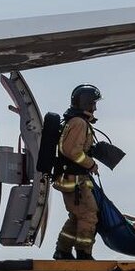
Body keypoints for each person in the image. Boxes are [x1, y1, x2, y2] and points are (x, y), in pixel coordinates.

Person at [52, 84, 102, 261]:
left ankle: (63, 251)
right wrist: (90, 164)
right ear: (86, 103)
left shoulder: (76, 121)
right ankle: (83, 253)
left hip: (74, 179)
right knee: (89, 215)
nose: (95, 107)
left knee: (77, 216)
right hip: (75, 180)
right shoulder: (79, 123)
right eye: (93, 103)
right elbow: (72, 151)